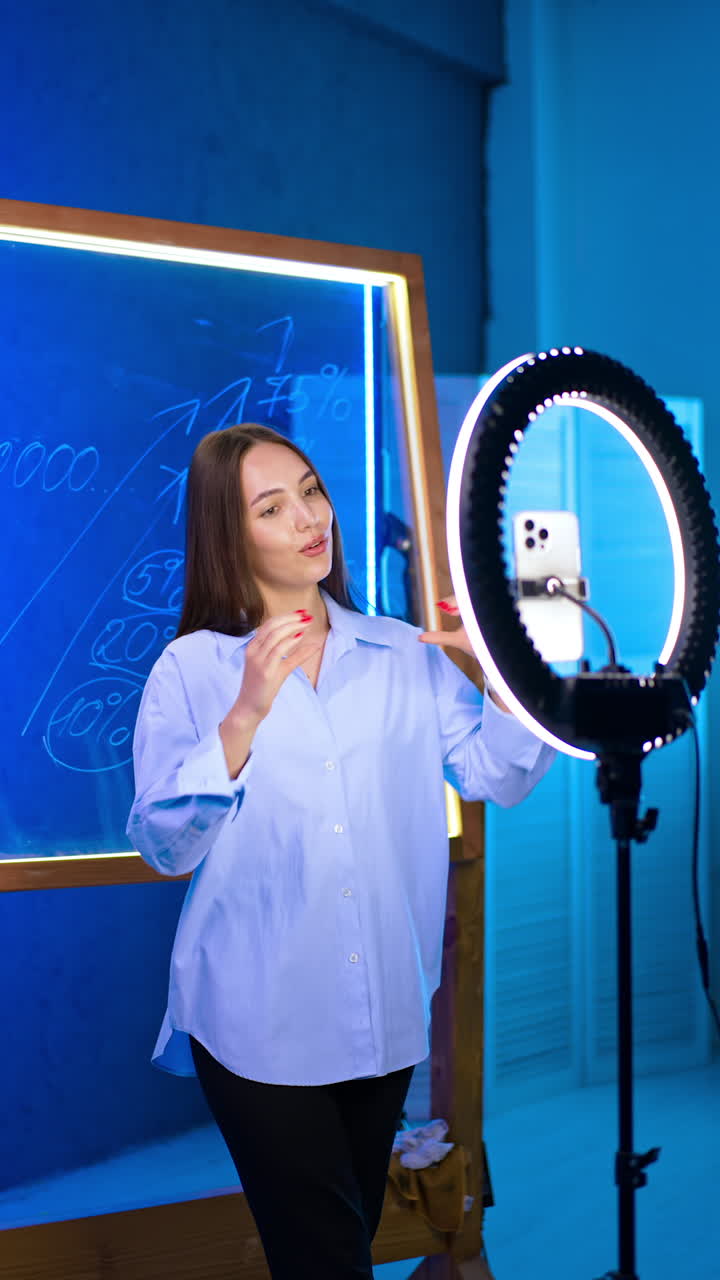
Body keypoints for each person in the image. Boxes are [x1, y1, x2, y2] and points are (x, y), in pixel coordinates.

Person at [127, 422, 555, 1280]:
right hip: (255, 1020)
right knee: (326, 1260)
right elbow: (165, 845)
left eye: (312, 491)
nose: (309, 518)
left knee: (338, 1248)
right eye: (273, 506)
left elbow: (492, 777)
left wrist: (507, 680)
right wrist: (245, 712)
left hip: (384, 1013)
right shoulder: (193, 669)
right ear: (228, 532)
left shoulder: (399, 651)